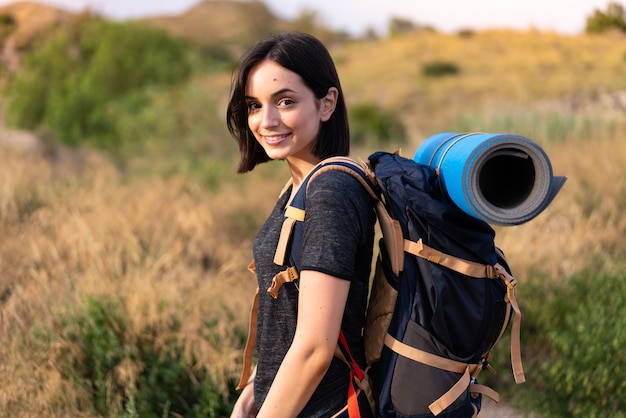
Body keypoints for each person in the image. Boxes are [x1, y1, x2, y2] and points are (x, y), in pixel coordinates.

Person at [226, 32, 376, 417]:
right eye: (254, 106)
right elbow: (292, 318)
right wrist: (256, 392)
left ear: (327, 103)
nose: (266, 120)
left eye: (286, 101)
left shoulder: (331, 192)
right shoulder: (297, 187)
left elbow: (314, 349)